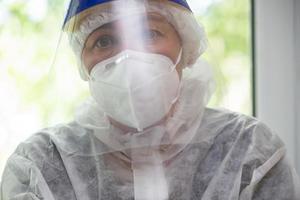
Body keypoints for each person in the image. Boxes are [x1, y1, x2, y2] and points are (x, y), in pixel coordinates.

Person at [1, 0, 299, 199]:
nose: (128, 56)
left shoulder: (251, 155)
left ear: (186, 47)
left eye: (149, 33)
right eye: (104, 41)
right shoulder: (40, 167)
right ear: (83, 62)